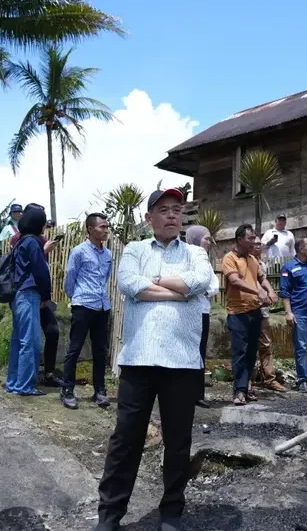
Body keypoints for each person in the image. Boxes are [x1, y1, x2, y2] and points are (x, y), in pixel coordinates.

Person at [96, 188, 213, 531]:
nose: (173, 216)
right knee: (125, 439)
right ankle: (110, 515)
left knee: (178, 442)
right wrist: (180, 292)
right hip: (139, 359)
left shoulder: (195, 253)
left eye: (177, 210)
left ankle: (172, 511)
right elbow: (128, 284)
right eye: (164, 210)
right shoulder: (134, 249)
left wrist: (155, 281)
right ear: (149, 218)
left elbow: (201, 282)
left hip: (182, 363)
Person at [60, 213, 113, 410]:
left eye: (107, 227)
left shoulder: (107, 254)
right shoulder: (79, 252)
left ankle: (100, 391)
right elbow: (70, 277)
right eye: (102, 227)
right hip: (82, 305)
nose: (106, 230)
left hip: (102, 306)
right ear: (90, 229)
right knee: (74, 349)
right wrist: (76, 298)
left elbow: (106, 277)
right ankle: (67, 390)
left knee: (100, 351)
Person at [222, 224, 275, 406]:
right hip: (237, 313)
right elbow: (235, 281)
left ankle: (246, 387)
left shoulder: (252, 259)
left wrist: (270, 290)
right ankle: (239, 391)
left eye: (254, 238)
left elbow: (262, 278)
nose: (254, 241)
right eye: (250, 238)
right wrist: (258, 292)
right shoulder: (229, 258)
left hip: (254, 312)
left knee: (252, 352)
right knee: (240, 353)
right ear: (239, 240)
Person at [9, 203, 61, 385]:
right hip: (30, 293)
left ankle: (14, 381)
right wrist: (46, 296)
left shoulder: (21, 240)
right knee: (31, 342)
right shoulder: (33, 242)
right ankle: (25, 384)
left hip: (18, 293)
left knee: (19, 340)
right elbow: (41, 272)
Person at [280, 237, 307, 392]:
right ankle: (303, 380)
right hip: (300, 314)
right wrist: (288, 312)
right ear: (301, 249)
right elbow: (285, 292)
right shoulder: (289, 267)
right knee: (301, 348)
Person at [183, 225, 219, 408]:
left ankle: (197, 394)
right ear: (196, 239)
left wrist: (200, 291)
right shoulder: (185, 255)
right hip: (187, 310)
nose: (209, 242)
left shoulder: (204, 260)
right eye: (206, 238)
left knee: (199, 352)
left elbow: (213, 285)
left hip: (202, 310)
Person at [253, 236, 286, 392]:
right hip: (248, 310)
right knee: (248, 347)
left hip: (263, 311)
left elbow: (263, 284)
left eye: (260, 244)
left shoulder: (262, 264)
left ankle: (269, 379)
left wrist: (269, 295)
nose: (259, 246)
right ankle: (246, 383)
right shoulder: (244, 262)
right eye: (256, 244)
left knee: (266, 345)